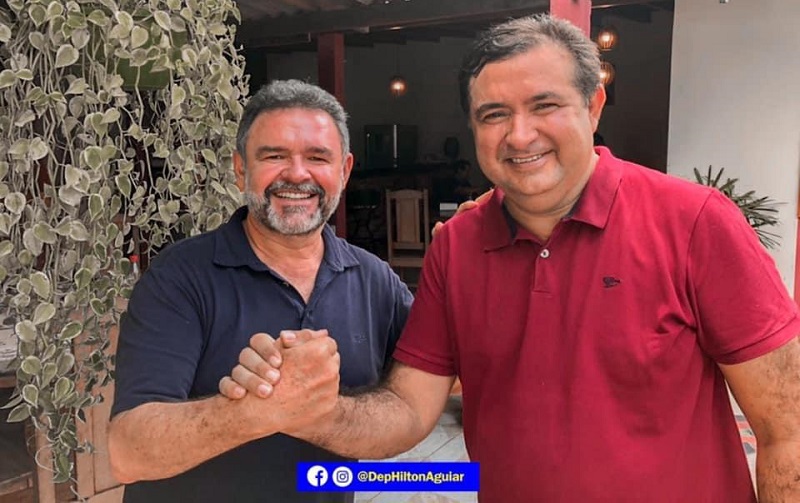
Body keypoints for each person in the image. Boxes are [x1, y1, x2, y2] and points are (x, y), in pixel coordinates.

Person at [221, 14, 800, 503]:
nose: (519, 136)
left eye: (545, 105)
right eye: (494, 114)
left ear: (593, 106)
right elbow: (409, 409)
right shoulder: (457, 247)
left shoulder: (694, 222)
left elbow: (787, 429)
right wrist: (311, 411)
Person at [107, 79, 414, 503]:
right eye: (274, 156)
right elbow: (128, 453)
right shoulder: (179, 279)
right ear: (240, 170)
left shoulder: (373, 280)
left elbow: (436, 383)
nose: (297, 174)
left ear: (344, 171)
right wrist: (254, 411)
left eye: (317, 157)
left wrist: (467, 260)